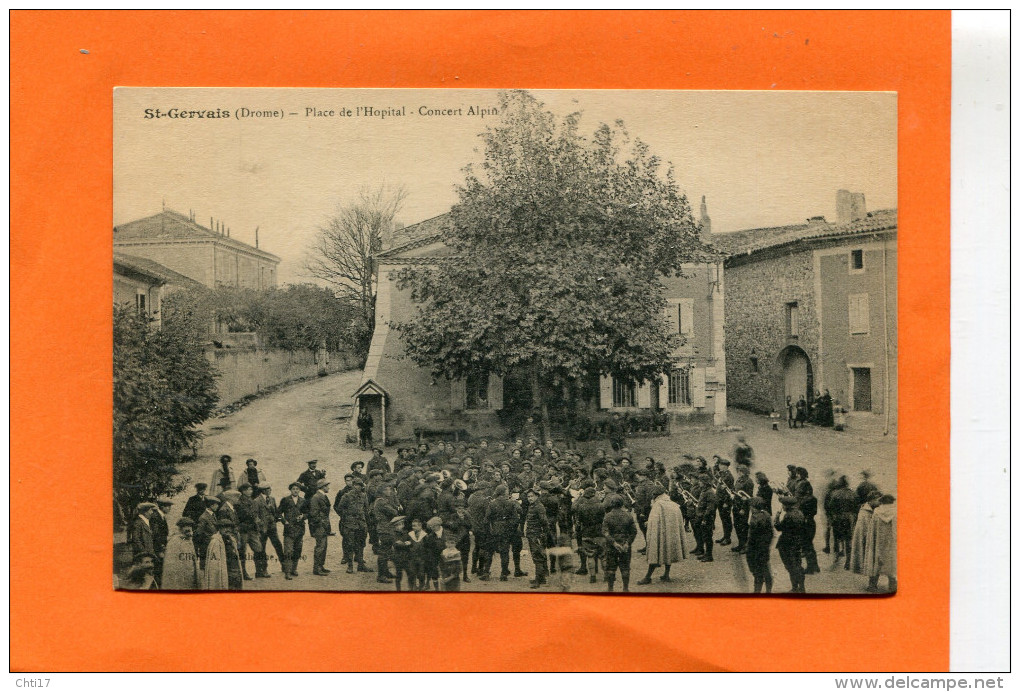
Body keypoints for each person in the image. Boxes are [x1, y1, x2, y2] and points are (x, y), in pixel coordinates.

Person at [637, 483, 685, 585]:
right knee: (668, 551)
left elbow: (654, 520)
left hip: (660, 532)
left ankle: (648, 577)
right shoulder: (672, 503)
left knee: (655, 552)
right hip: (670, 533)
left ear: (655, 495)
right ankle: (666, 574)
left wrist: (648, 522)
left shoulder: (658, 504)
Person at [602, 494, 637, 592]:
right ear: (622, 504)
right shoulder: (628, 515)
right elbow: (634, 531)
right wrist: (627, 543)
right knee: (625, 568)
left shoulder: (607, 516)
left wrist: (614, 543)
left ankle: (610, 589)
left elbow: (605, 532)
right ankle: (625, 588)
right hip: (625, 545)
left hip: (611, 546)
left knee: (611, 568)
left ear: (611, 504)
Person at [337, 477, 372, 573]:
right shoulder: (346, 496)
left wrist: (366, 524)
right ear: (353, 485)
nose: (358, 487)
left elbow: (366, 509)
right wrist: (347, 517)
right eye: (356, 485)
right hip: (350, 524)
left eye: (360, 485)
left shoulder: (364, 496)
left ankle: (361, 565)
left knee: (360, 544)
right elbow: (340, 509)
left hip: (361, 524)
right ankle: (350, 566)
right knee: (350, 545)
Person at [573, 481, 605, 584]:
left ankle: (592, 577)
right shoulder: (601, 506)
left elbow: (578, 522)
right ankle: (606, 576)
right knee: (603, 555)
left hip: (586, 532)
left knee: (590, 555)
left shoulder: (582, 506)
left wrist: (578, 531)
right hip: (599, 532)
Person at [485, 484, 519, 581]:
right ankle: (503, 574)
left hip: (494, 530)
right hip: (506, 531)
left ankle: (486, 573)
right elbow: (515, 519)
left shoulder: (492, 504)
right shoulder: (511, 503)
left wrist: (490, 529)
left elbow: (486, 520)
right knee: (505, 552)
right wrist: (510, 528)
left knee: (490, 552)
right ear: (504, 492)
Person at [775, 495, 805, 593]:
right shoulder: (800, 513)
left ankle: (795, 588)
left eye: (783, 505)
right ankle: (802, 587)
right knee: (798, 565)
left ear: (787, 506)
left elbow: (779, 527)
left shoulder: (788, 515)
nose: (782, 507)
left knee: (790, 566)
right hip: (798, 541)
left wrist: (777, 516)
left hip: (787, 543)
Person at [254, 484, 285, 577]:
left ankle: (284, 565)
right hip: (262, 529)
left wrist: (280, 519)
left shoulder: (272, 499)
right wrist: (260, 525)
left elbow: (276, 512)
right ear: (263, 490)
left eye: (270, 488)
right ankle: (262, 570)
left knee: (278, 545)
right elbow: (255, 516)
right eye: (268, 489)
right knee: (261, 549)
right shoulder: (256, 501)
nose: (270, 490)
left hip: (272, 527)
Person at [793, 467, 820, 575]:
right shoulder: (813, 498)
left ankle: (810, 568)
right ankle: (815, 566)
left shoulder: (803, 501)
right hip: (811, 522)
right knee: (809, 544)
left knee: (806, 545)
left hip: (805, 523)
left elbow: (798, 509)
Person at [827, 476, 858, 568]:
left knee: (836, 538)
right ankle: (848, 561)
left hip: (838, 518)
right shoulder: (853, 494)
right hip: (849, 518)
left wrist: (832, 517)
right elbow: (856, 508)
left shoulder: (835, 494)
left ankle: (836, 558)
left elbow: (830, 507)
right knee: (848, 539)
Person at [161, 518, 200, 590]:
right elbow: (171, 564)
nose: (189, 530)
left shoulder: (189, 540)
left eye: (190, 527)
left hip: (190, 575)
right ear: (181, 528)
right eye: (186, 527)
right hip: (179, 576)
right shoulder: (174, 542)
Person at [746, 497, 774, 594]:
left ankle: (756, 592)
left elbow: (752, 536)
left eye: (751, 506)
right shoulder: (766, 514)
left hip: (755, 548)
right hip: (764, 547)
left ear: (754, 507)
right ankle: (768, 591)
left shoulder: (755, 518)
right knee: (765, 569)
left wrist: (749, 548)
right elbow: (771, 533)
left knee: (757, 572)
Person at [278, 482, 306, 579]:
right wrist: (284, 521)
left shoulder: (303, 500)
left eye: (297, 489)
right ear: (290, 490)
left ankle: (294, 569)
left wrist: (303, 516)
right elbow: (278, 513)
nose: (295, 490)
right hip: (289, 530)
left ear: (299, 490)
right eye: (293, 489)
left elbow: (308, 513)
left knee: (298, 550)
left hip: (300, 529)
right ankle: (287, 572)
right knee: (288, 551)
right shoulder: (285, 500)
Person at [524, 488, 549, 589]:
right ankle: (542, 578)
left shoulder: (539, 507)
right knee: (538, 556)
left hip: (536, 535)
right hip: (532, 534)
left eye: (531, 496)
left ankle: (538, 580)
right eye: (528, 496)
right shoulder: (533, 506)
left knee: (537, 556)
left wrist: (543, 534)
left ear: (537, 496)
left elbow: (544, 522)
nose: (530, 498)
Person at [235, 483, 260, 580]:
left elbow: (255, 514)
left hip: (253, 529)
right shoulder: (239, 502)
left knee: (258, 549)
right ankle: (244, 572)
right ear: (243, 491)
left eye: (251, 489)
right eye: (248, 490)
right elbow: (244, 515)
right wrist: (253, 517)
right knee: (242, 552)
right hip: (244, 530)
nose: (250, 491)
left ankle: (259, 571)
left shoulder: (253, 501)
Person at [308, 479, 332, 576]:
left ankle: (321, 566)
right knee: (320, 547)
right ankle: (317, 568)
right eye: (327, 486)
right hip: (319, 526)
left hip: (324, 526)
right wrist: (321, 523)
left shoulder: (322, 496)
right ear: (323, 487)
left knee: (324, 546)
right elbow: (314, 514)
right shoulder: (316, 497)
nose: (329, 487)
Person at [731, 463, 754, 554]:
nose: (739, 473)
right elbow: (735, 490)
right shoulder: (738, 480)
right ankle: (741, 544)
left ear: (745, 472)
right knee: (737, 525)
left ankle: (745, 546)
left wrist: (743, 508)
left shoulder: (748, 481)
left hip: (743, 507)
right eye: (738, 471)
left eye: (741, 471)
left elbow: (748, 496)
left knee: (743, 526)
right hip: (736, 505)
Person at [693, 474, 717, 562]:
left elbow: (710, 508)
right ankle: (706, 554)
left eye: (700, 481)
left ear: (705, 482)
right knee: (705, 535)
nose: (699, 483)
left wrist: (705, 519)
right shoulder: (705, 490)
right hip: (702, 516)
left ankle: (709, 555)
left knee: (708, 536)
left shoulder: (710, 492)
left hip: (706, 518)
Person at [194, 496, 221, 570]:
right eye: (216, 505)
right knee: (205, 566)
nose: (217, 506)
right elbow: (199, 533)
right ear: (211, 505)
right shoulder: (204, 517)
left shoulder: (213, 515)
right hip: (206, 545)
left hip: (212, 543)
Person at [201, 520, 229, 590]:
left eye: (228, 528)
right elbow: (214, 563)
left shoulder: (227, 540)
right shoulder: (215, 542)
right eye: (224, 528)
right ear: (219, 529)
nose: (227, 530)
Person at [151, 499, 172, 585]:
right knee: (159, 566)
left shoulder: (161, 515)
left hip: (161, 545)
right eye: (168, 507)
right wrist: (161, 546)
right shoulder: (156, 516)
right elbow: (156, 534)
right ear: (162, 507)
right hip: (158, 546)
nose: (169, 508)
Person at [423, 516, 446, 590]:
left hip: (445, 556)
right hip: (434, 556)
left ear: (437, 525)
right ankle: (436, 590)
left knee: (445, 573)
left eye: (432, 526)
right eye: (430, 527)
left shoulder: (447, 533)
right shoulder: (430, 536)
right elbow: (428, 547)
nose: (431, 528)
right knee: (434, 573)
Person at [406, 518, 428, 591]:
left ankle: (422, 586)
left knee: (421, 574)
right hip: (412, 557)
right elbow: (408, 543)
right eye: (412, 526)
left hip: (422, 557)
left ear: (420, 526)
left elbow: (427, 547)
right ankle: (413, 587)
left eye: (415, 526)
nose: (413, 527)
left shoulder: (425, 535)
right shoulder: (410, 534)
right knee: (412, 572)